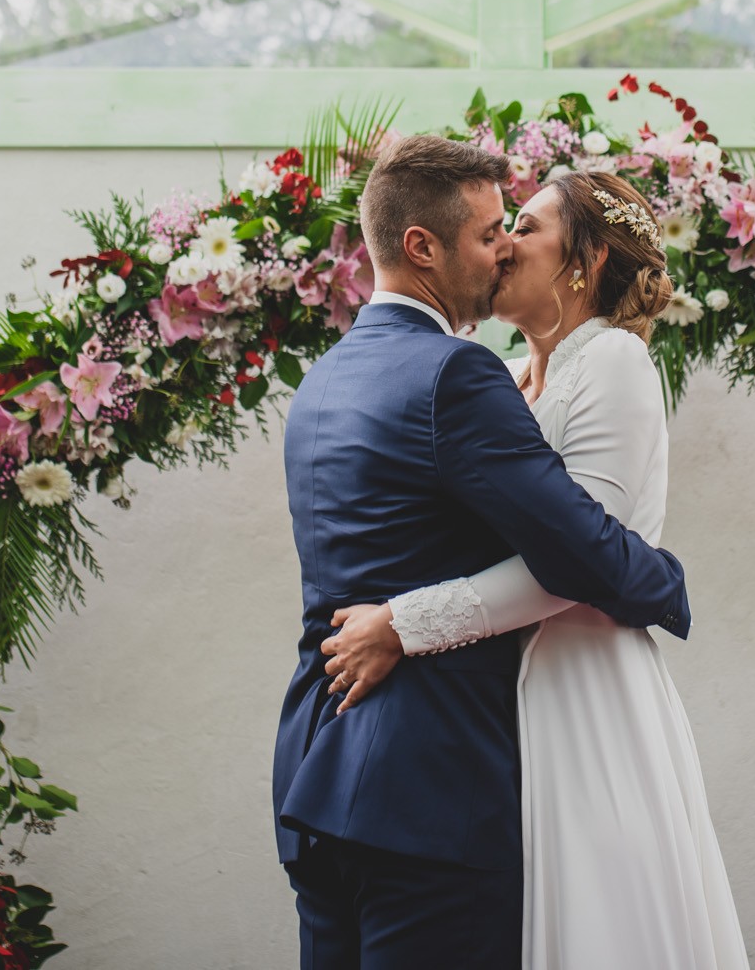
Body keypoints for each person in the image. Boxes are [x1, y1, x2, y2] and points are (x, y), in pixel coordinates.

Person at [272, 136, 692, 970]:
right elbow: (588, 555)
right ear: (421, 245)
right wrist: (662, 577)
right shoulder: (460, 374)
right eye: (492, 231)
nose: (503, 248)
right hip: (433, 777)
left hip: (322, 762)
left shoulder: (323, 381)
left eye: (518, 229)